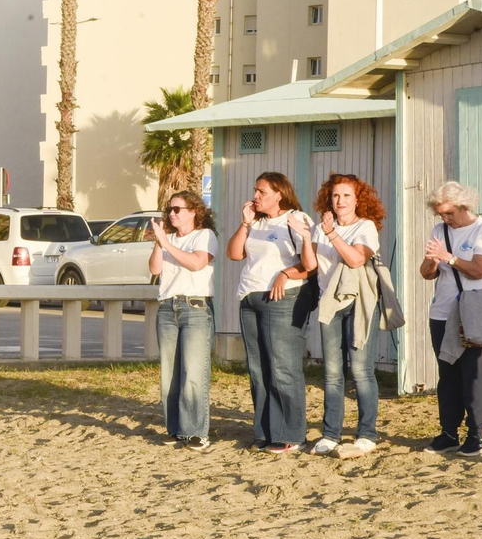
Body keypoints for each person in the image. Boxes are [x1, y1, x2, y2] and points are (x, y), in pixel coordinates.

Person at [226, 172, 314, 454]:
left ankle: (292, 434)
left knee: (283, 368)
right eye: (255, 190)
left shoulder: (296, 219)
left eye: (262, 191)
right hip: (250, 298)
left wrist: (285, 274)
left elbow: (310, 264)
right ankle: (265, 431)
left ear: (279, 193)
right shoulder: (257, 223)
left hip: (284, 298)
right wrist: (245, 223)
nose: (255, 196)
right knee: (258, 369)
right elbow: (234, 254)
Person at [302, 173, 385, 457]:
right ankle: (331, 434)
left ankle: (367, 434)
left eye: (347, 195)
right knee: (332, 372)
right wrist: (306, 236)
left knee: (361, 370)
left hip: (360, 302)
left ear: (358, 199)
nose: (340, 201)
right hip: (329, 302)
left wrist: (332, 235)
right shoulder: (321, 227)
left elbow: (355, 259)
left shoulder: (366, 227)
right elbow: (311, 265)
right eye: (336, 195)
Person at [420, 181, 482, 458]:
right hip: (442, 313)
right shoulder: (439, 230)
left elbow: (480, 270)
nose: (445, 218)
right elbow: (427, 272)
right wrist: (432, 261)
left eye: (449, 213)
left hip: (473, 313)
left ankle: (476, 437)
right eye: (441, 214)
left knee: (475, 375)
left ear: (464, 206)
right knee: (448, 375)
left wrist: (449, 258)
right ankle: (448, 433)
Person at [148, 191, 218, 452]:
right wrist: (160, 241)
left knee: (193, 371)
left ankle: (196, 432)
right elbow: (155, 269)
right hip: (168, 306)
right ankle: (176, 429)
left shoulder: (204, 236)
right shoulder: (168, 240)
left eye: (178, 209)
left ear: (194, 212)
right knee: (170, 374)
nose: (172, 214)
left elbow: (197, 263)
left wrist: (166, 244)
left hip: (195, 307)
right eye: (170, 210)